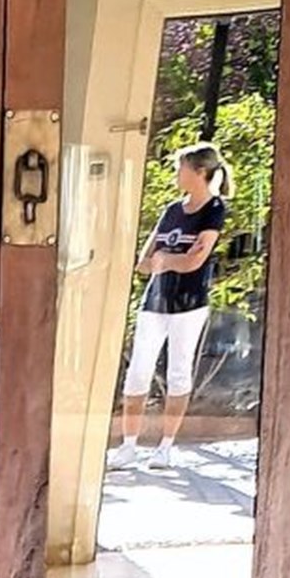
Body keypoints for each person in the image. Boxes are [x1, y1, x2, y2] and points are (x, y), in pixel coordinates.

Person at [109, 143, 233, 471]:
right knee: (138, 371)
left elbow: (195, 261)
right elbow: (144, 261)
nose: (177, 174)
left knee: (178, 370)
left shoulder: (214, 209)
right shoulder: (171, 210)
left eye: (182, 168)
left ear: (200, 172)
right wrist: (166, 260)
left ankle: (165, 446)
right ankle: (128, 445)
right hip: (155, 300)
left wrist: (166, 260)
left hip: (189, 304)